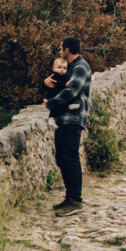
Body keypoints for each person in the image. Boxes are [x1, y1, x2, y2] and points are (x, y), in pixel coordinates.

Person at [43, 36, 91, 217]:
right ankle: (69, 198)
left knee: (70, 157)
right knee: (62, 158)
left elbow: (72, 91)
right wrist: (46, 82)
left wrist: (52, 103)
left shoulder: (80, 67)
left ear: (67, 50)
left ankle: (76, 200)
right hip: (64, 118)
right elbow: (57, 83)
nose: (60, 50)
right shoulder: (69, 67)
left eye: (61, 48)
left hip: (73, 118)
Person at [42, 56, 70, 126]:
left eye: (64, 68)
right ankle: (51, 118)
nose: (62, 70)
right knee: (54, 108)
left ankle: (54, 118)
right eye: (59, 67)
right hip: (52, 95)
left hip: (56, 95)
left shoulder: (65, 76)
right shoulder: (55, 76)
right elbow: (58, 84)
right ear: (54, 68)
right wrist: (66, 84)